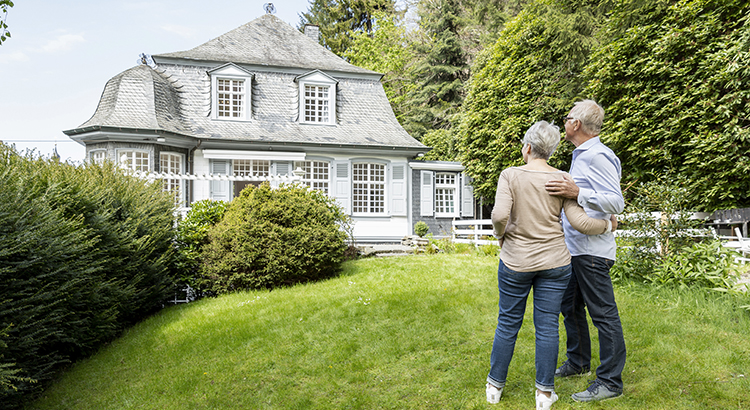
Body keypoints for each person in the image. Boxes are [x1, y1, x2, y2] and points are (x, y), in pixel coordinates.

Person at [486, 120, 617, 410]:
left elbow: (498, 216)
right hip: (556, 263)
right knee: (547, 326)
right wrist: (607, 223)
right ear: (552, 150)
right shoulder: (560, 179)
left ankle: (494, 387)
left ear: (528, 147)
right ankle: (544, 395)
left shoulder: (510, 175)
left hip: (516, 260)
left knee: (508, 322)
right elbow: (580, 222)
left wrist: (500, 236)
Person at [545, 99, 626, 402]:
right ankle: (578, 362)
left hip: (592, 252)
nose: (564, 122)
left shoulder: (598, 156)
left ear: (575, 124)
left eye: (567, 118)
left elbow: (616, 202)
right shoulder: (581, 156)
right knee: (571, 308)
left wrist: (578, 192)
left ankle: (610, 381)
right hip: (575, 249)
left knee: (603, 314)